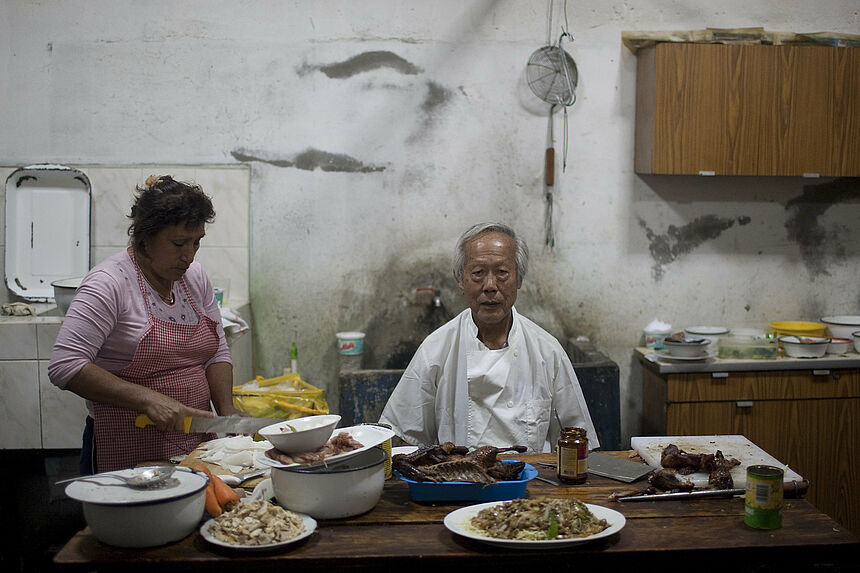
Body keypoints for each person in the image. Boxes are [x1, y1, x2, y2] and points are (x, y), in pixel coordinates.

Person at [49, 175, 244, 473]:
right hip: (126, 444)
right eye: (178, 243)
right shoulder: (109, 283)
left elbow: (216, 351)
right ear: (145, 238)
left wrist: (227, 411)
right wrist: (148, 400)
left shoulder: (195, 278)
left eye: (196, 243)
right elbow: (65, 365)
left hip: (195, 442)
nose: (188, 256)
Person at [379, 222, 598, 452]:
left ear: (519, 279)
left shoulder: (547, 350)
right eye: (478, 273)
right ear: (460, 279)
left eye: (502, 273)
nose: (490, 286)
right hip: (459, 482)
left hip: (530, 484)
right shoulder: (436, 349)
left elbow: (579, 439)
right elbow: (408, 438)